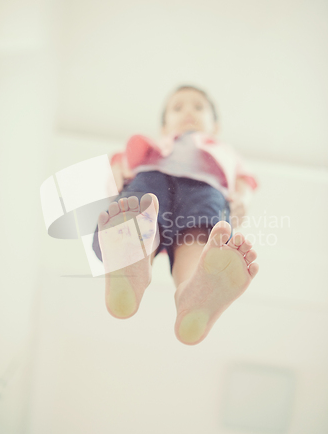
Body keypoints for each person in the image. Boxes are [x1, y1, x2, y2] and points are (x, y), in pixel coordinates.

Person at [92, 85, 259, 346]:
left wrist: (242, 200)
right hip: (152, 175)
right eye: (177, 108)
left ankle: (192, 293)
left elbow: (245, 179)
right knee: (140, 218)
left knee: (199, 238)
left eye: (198, 107)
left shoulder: (223, 148)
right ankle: (132, 265)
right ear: (164, 127)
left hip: (205, 185)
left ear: (215, 127)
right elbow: (118, 164)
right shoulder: (154, 144)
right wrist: (114, 178)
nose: (188, 111)